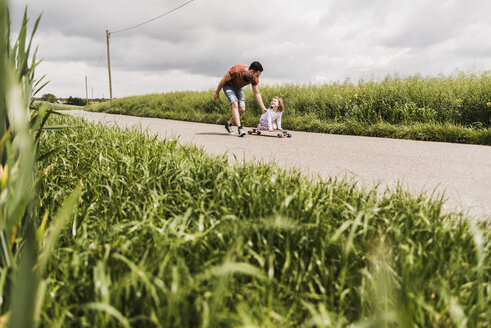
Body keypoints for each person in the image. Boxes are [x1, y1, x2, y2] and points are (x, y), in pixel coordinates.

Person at [213, 61, 267, 137]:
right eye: (257, 75)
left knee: (242, 109)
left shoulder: (254, 79)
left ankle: (228, 124)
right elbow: (223, 80)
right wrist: (217, 92)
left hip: (238, 88)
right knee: (235, 103)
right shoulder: (236, 70)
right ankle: (240, 128)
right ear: (251, 71)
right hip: (228, 86)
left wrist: (262, 107)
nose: (257, 77)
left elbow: (257, 93)